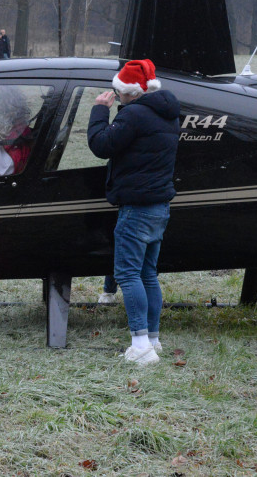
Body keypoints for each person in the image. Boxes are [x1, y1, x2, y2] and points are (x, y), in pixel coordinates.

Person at [87, 59, 179, 366]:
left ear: (130, 92)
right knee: (148, 274)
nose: (115, 94)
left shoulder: (136, 115)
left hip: (136, 208)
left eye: (118, 90)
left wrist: (100, 110)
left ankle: (140, 345)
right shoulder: (166, 113)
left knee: (127, 274)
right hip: (159, 207)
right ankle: (152, 339)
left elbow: (102, 144)